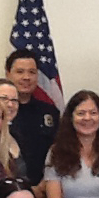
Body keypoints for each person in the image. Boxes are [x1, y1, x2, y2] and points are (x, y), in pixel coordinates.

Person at [5, 50, 59, 188]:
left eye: (32, 72)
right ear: (8, 74)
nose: (26, 77)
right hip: (9, 193)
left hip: (45, 190)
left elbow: (58, 153)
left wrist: (41, 188)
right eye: (20, 72)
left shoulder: (50, 112)